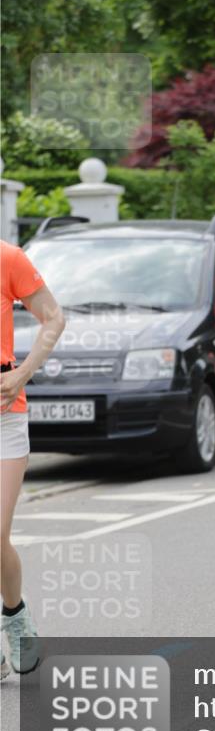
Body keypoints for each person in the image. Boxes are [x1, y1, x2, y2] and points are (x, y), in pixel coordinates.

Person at [0, 239, 65, 678]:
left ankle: (14, 613)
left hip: (4, 417)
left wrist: (23, 373)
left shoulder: (8, 257)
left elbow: (54, 318)